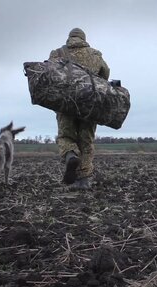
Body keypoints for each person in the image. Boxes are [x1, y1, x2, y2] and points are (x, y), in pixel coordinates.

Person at [49, 28, 110, 189]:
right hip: (89, 104)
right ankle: (83, 180)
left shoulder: (57, 53)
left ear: (69, 38)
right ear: (83, 39)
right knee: (86, 140)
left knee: (66, 135)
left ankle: (70, 154)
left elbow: (49, 75)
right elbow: (105, 74)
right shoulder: (95, 54)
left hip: (65, 102)